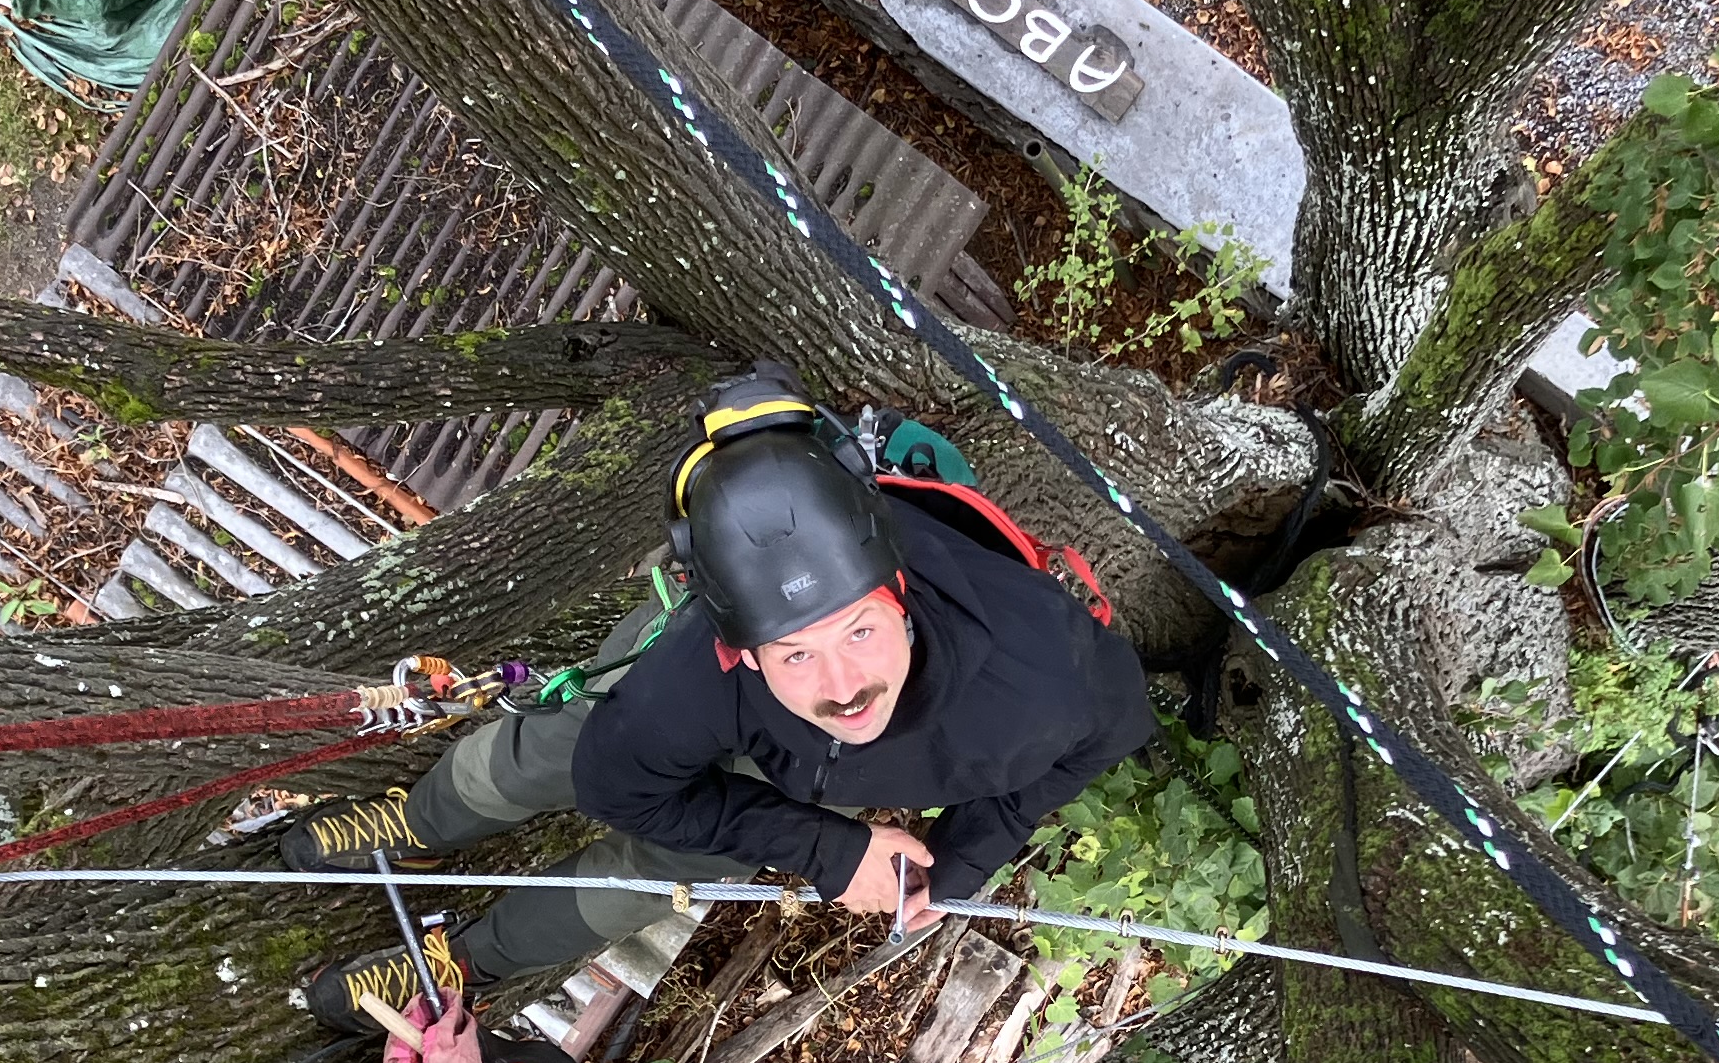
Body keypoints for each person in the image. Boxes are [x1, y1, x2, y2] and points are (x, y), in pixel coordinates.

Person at [287, 367, 1156, 1028]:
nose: (843, 686)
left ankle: (467, 960)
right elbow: (616, 784)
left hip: (804, 769)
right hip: (740, 728)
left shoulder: (1046, 673)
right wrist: (824, 849)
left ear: (899, 592)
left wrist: (949, 869)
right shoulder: (700, 667)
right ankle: (425, 822)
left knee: (661, 876)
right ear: (741, 648)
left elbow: (1101, 736)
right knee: (551, 750)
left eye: (860, 631)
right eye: (794, 652)